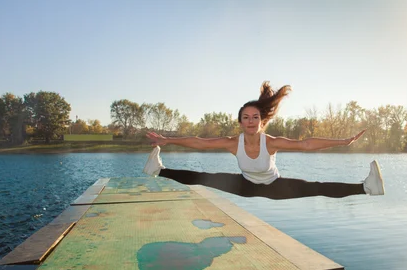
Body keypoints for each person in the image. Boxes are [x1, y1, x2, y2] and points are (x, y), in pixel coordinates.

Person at [143, 81, 384, 200]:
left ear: (261, 121)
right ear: (240, 122)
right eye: (245, 117)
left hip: (274, 187)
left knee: (315, 186)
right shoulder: (232, 142)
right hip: (245, 186)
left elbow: (305, 144)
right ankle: (158, 170)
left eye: (254, 117)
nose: (250, 121)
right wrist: (166, 140)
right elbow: (200, 142)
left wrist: (343, 142)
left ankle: (366, 188)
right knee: (205, 178)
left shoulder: (271, 142)